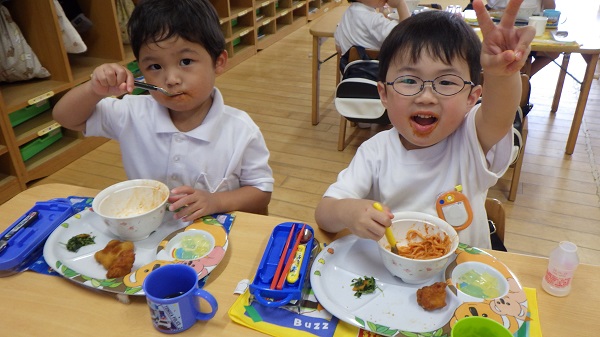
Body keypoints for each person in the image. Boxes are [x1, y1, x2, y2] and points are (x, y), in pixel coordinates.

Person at [315, 0, 535, 249]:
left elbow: (499, 115)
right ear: (384, 94)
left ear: (471, 98)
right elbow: (324, 213)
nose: (426, 96)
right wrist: (348, 211)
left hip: (462, 278)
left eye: (446, 82)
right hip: (391, 278)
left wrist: (501, 74)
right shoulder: (375, 152)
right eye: (409, 80)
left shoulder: (472, 140)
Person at [53, 0, 274, 222]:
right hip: (150, 232)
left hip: (216, 235)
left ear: (218, 62)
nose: (171, 79)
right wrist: (94, 90)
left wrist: (215, 201)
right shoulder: (132, 112)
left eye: (186, 61)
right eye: (155, 67)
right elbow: (66, 118)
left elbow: (261, 193)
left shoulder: (240, 129)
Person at [464, 0, 559, 76]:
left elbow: (550, 8)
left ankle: (525, 77)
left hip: (530, 21)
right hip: (494, 19)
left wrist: (510, 75)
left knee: (553, 51)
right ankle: (522, 78)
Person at [334, 0, 411, 71]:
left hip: (349, 76)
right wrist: (400, 4)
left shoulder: (346, 14)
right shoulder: (373, 20)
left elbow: (338, 48)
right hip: (377, 78)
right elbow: (406, 36)